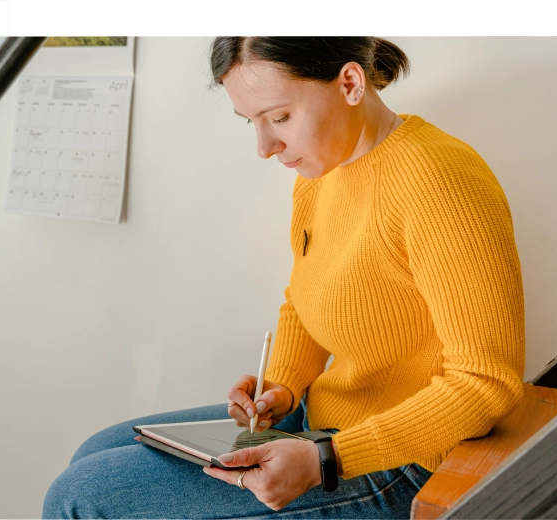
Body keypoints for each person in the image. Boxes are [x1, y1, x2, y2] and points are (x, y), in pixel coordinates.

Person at [43, 37, 525, 519]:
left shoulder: (440, 179)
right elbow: (303, 300)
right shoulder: (319, 175)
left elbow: (486, 382)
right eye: (251, 123)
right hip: (320, 425)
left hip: (401, 461)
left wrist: (325, 459)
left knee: (79, 495)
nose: (264, 147)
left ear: (350, 82)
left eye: (279, 117)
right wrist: (282, 386)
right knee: (94, 451)